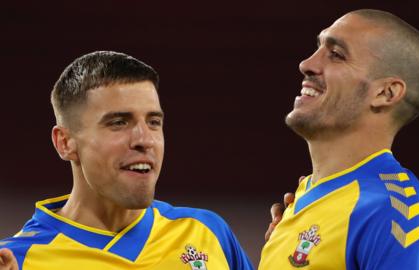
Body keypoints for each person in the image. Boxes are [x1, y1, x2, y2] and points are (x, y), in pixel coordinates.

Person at [0, 51, 253, 270]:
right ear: (65, 143)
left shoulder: (207, 233)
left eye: (154, 122)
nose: (145, 139)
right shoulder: (20, 259)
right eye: (118, 123)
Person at [259, 9, 419, 270]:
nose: (307, 64)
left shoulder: (392, 213)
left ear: (386, 93)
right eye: (318, 48)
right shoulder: (308, 196)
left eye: (336, 55)